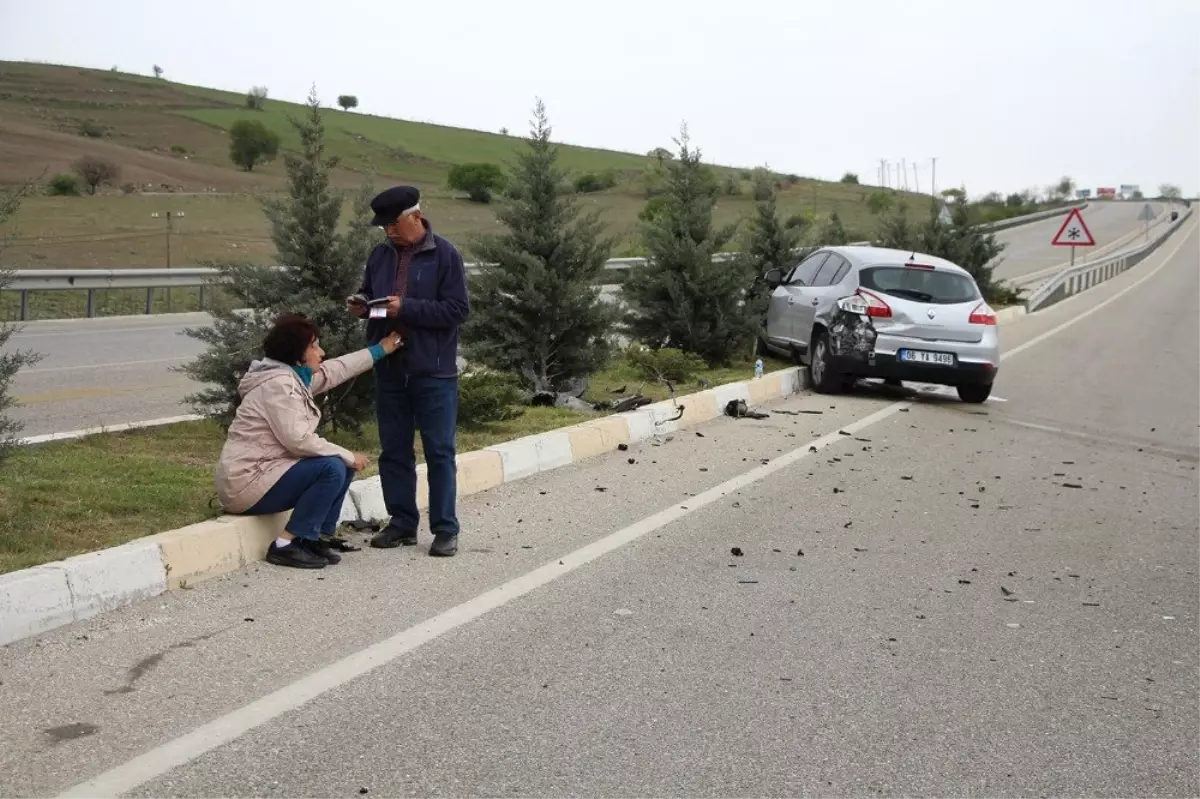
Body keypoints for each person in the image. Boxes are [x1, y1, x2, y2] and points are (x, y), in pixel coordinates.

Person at [215, 313, 403, 569]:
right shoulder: (280, 386)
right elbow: (298, 441)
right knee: (333, 466)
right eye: (314, 346)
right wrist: (347, 453)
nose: (321, 352)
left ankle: (314, 538)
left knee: (340, 465)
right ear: (296, 354)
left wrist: (380, 350)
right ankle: (285, 545)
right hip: (247, 484)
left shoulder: (292, 377)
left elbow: (336, 369)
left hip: (265, 475)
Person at [346, 185, 470, 557]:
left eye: (394, 225)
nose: (389, 232)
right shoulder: (380, 255)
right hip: (390, 367)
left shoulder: (445, 255)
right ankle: (402, 524)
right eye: (384, 227)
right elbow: (378, 301)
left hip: (433, 371)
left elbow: (456, 311)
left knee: (439, 452)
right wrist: (365, 308)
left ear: (416, 216)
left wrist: (408, 309)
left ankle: (445, 529)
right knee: (394, 450)